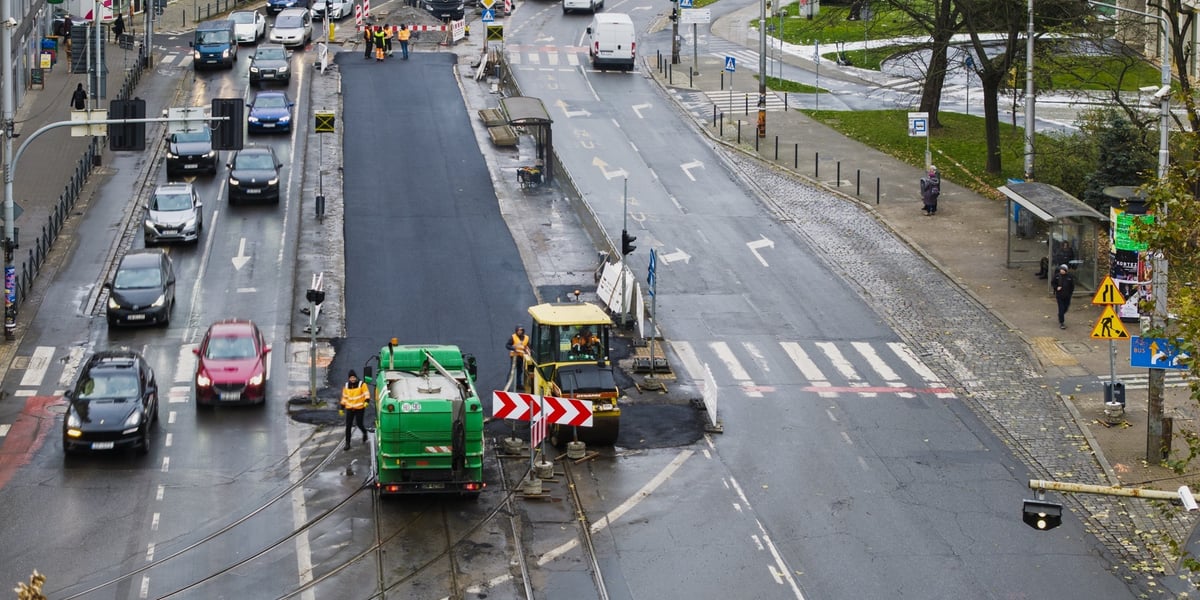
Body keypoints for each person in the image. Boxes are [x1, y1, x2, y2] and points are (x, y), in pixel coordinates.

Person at [340, 370, 370, 450]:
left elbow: (366, 393)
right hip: (350, 409)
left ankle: (364, 432)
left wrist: (366, 401)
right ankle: (347, 443)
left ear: (356, 377)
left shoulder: (362, 384)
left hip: (360, 408)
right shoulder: (346, 386)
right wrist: (341, 408)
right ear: (349, 378)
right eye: (351, 378)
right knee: (348, 426)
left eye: (353, 377)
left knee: (359, 423)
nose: (352, 379)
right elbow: (344, 398)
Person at [1052, 264, 1075, 330]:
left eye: (1063, 270)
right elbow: (1053, 283)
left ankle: (1060, 315)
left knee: (1066, 307)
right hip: (1059, 295)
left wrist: (1070, 293)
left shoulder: (1069, 277)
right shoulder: (1057, 276)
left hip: (1067, 295)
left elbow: (1072, 286)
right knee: (1061, 308)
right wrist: (1056, 288)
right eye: (1061, 269)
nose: (1062, 271)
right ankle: (1062, 322)